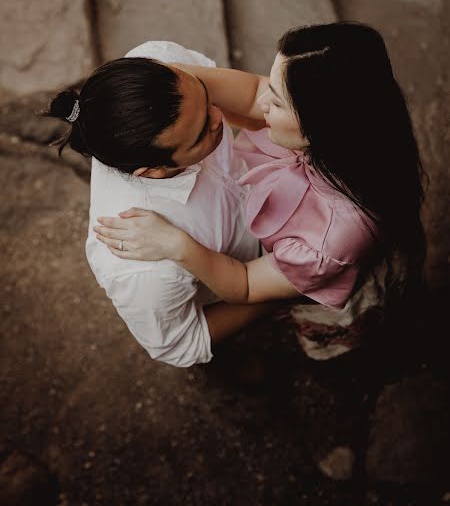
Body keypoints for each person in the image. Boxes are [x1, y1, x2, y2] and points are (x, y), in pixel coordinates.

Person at [94, 22, 427, 360]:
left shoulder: (334, 238)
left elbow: (248, 285)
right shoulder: (362, 122)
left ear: (321, 128)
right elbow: (254, 92)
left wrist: (178, 245)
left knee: (349, 328)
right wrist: (159, 91)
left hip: (325, 277)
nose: (263, 98)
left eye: (278, 102)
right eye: (273, 81)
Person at [42, 40, 285, 368]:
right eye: (201, 134)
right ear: (154, 170)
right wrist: (283, 289)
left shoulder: (158, 65)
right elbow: (181, 345)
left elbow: (246, 95)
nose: (219, 117)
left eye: (206, 95)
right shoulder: (142, 268)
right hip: (258, 270)